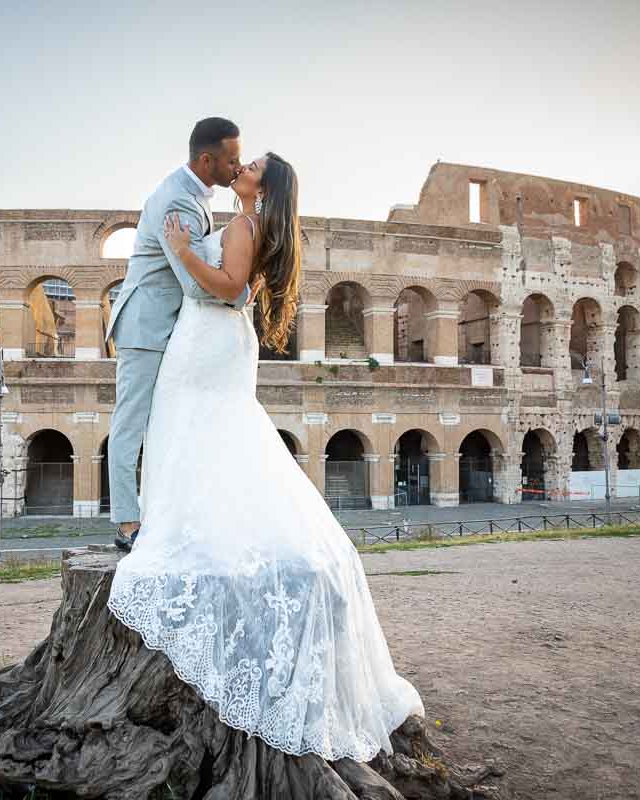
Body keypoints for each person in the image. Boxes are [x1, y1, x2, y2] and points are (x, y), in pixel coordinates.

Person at [107, 152, 425, 762]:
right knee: (210, 431)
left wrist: (181, 249)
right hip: (217, 340)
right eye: (239, 158)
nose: (241, 165)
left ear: (263, 184)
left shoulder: (245, 224)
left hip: (209, 334)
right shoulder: (252, 223)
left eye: (250, 163)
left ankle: (175, 526)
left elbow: (226, 288)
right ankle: (185, 519)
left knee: (198, 427)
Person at [104, 117, 248, 551]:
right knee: (131, 423)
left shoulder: (193, 194)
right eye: (231, 160)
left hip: (172, 327)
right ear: (207, 160)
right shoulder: (177, 201)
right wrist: (240, 296)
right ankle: (128, 524)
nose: (237, 168)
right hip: (147, 326)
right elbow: (190, 283)